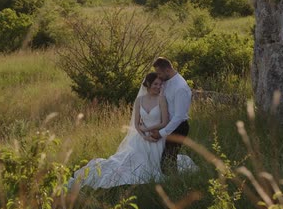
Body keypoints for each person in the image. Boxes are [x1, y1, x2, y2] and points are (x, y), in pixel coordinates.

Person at [68, 72, 196, 190]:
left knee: (150, 167)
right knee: (126, 161)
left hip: (156, 137)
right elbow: (136, 123)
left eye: (160, 84)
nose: (158, 86)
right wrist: (144, 135)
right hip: (142, 138)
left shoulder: (162, 100)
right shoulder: (139, 100)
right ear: (148, 85)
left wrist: (148, 130)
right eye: (155, 84)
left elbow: (164, 122)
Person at [149, 57, 192, 176]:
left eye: (159, 73)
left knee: (168, 160)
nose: (158, 76)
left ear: (167, 70)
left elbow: (179, 116)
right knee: (168, 158)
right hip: (169, 125)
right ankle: (172, 179)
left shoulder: (180, 88)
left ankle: (174, 183)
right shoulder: (167, 81)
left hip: (179, 127)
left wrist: (162, 133)